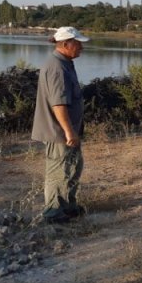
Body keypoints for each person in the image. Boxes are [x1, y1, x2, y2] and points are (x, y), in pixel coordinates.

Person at [32, 26, 90, 223]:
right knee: (59, 171)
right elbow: (58, 104)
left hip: (68, 130)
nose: (81, 47)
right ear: (66, 44)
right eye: (78, 43)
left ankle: (68, 207)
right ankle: (53, 213)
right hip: (59, 132)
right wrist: (68, 131)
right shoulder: (56, 67)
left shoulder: (65, 63)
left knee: (73, 166)